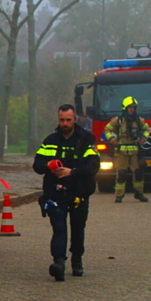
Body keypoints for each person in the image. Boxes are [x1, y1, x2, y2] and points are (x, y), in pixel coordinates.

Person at [33, 104, 100, 281]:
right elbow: (37, 165)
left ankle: (77, 261)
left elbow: (93, 165)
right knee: (59, 228)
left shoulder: (86, 140)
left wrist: (72, 171)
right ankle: (59, 263)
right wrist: (47, 165)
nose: (65, 123)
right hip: (56, 193)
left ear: (74, 120)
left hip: (79, 192)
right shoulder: (50, 140)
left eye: (68, 120)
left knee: (78, 229)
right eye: (62, 120)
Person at [103, 96, 150, 203]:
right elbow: (107, 129)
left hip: (135, 152)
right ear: (125, 108)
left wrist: (144, 138)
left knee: (138, 173)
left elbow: (147, 128)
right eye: (130, 107)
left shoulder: (139, 120)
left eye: (133, 107)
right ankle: (119, 195)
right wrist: (112, 139)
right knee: (121, 173)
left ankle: (139, 193)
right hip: (121, 152)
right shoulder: (118, 120)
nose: (132, 109)